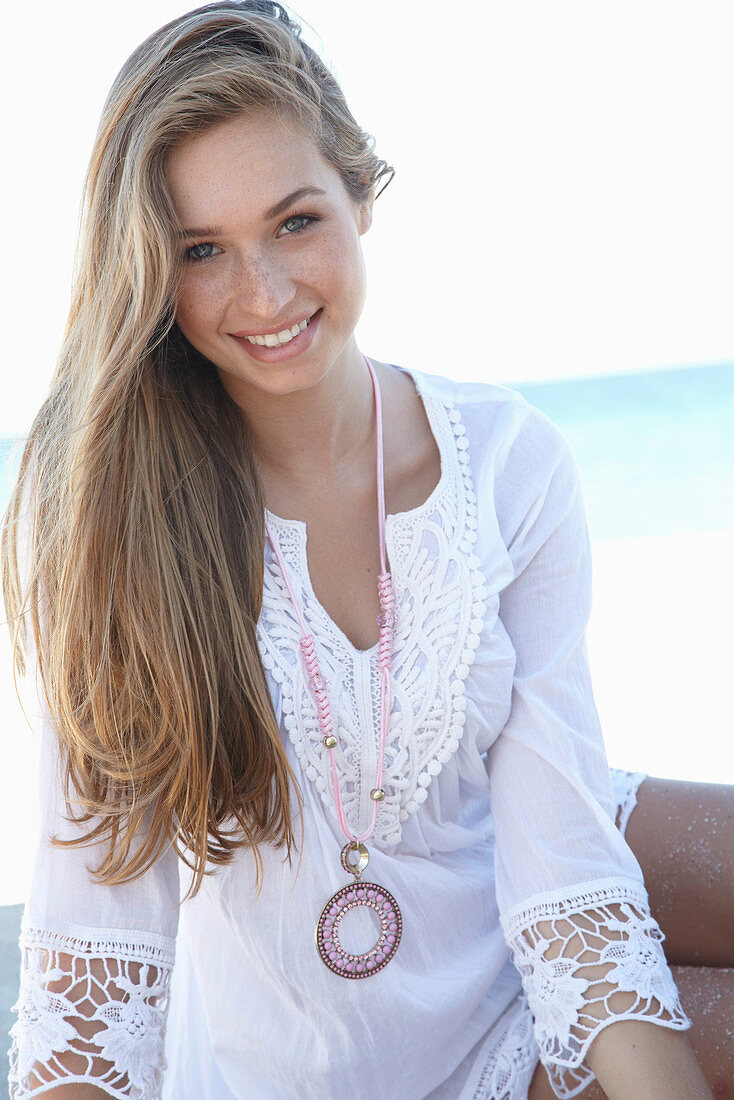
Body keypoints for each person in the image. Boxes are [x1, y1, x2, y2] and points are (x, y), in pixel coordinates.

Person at [2, 3, 732, 1098]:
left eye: (294, 221)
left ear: (360, 190)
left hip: (496, 939)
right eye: (201, 250)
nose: (263, 292)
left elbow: (566, 881)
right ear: (148, 270)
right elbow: (93, 971)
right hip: (295, 1056)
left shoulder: (509, 460)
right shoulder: (112, 517)